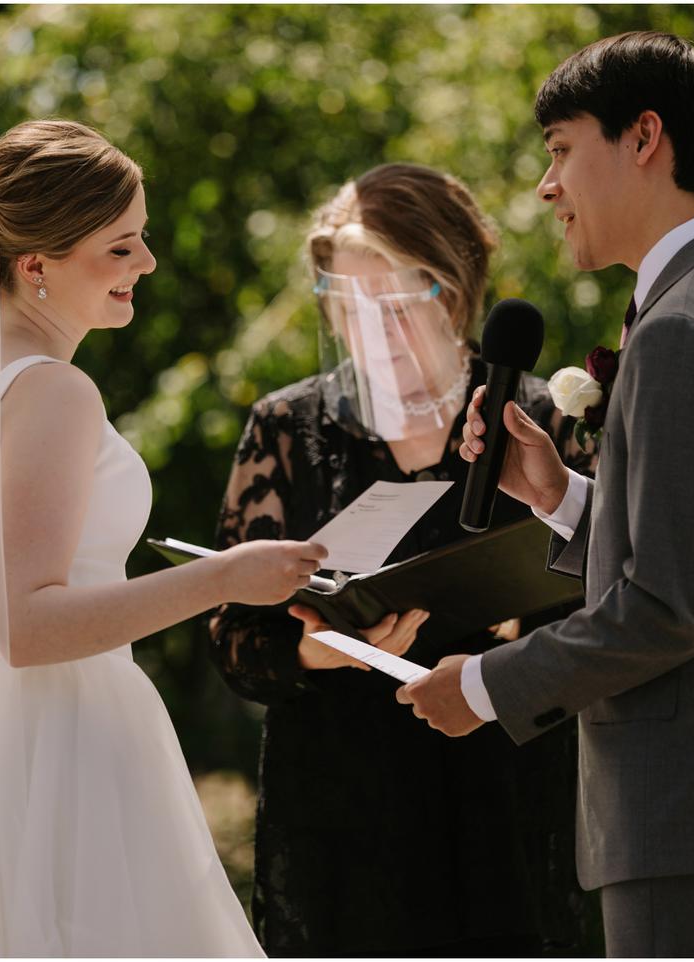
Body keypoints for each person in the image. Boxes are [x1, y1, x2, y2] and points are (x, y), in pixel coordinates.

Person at [399, 32, 694, 957]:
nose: (547, 186)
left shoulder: (686, 327)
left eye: (562, 150)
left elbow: (673, 607)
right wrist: (563, 495)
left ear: (644, 136)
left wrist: (484, 686)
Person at [0, 119, 326, 956]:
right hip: (66, 739)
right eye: (121, 248)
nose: (148, 265)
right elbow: (29, 625)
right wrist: (225, 578)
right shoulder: (53, 392)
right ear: (37, 265)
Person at [208, 163, 593, 956]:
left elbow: (618, 603)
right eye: (346, 306)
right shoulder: (287, 429)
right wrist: (321, 649)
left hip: (513, 803)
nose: (370, 329)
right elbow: (231, 639)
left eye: (394, 304)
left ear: (453, 294)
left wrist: (520, 618)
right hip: (345, 823)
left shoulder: (540, 420)